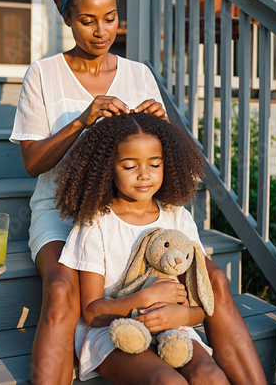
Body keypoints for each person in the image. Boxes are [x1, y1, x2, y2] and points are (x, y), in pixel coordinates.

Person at [10, 0, 166, 385]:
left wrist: (161, 129)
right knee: (61, 290)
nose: (102, 32)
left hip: (121, 212)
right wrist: (81, 121)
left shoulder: (140, 75)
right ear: (68, 20)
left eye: (111, 18)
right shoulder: (42, 73)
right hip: (60, 212)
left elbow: (159, 161)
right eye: (88, 21)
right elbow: (33, 162)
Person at [55, 112, 230, 384]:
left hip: (172, 328)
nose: (144, 175)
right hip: (112, 332)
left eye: (155, 164)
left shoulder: (176, 216)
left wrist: (182, 314)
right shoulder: (96, 224)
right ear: (107, 168)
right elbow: (92, 312)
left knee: (210, 375)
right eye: (129, 166)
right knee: (166, 381)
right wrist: (143, 299)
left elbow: (199, 304)